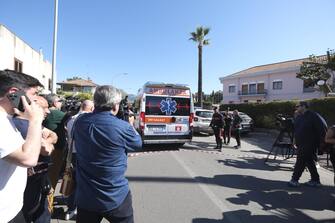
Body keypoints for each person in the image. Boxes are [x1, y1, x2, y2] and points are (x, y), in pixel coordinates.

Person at [74, 86, 142, 223]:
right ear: (115, 105)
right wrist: (131, 124)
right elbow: (137, 144)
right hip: (115, 196)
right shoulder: (122, 126)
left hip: (86, 196)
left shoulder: (80, 121)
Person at [0, 69, 44, 223]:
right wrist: (36, 120)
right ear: (13, 93)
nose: (37, 100)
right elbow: (28, 159)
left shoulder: (8, 118)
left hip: (11, 209)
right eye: (34, 94)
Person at [13, 96, 57, 223]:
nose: (48, 111)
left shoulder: (34, 124)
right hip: (29, 182)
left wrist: (47, 141)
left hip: (40, 179)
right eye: (44, 108)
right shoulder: (22, 124)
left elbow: (54, 136)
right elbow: (46, 150)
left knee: (42, 212)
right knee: (30, 213)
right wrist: (46, 143)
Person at [64, 100, 94, 221]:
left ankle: (70, 208)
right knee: (83, 184)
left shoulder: (71, 119)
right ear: (91, 108)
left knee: (73, 182)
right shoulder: (88, 120)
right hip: (85, 155)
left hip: (72, 154)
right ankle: (77, 208)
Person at [288, 101, 328, 187]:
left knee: (300, 161)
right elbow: (297, 131)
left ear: (304, 106)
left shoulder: (313, 115)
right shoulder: (299, 117)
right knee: (309, 161)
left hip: (310, 143)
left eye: (297, 106)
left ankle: (294, 180)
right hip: (301, 143)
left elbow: (322, 128)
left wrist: (322, 143)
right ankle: (315, 180)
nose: (296, 108)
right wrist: (295, 141)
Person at [44, 94, 67, 190]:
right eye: (60, 101)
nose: (61, 103)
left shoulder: (44, 112)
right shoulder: (58, 114)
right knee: (53, 175)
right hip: (55, 149)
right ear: (54, 103)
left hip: (43, 147)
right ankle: (48, 200)